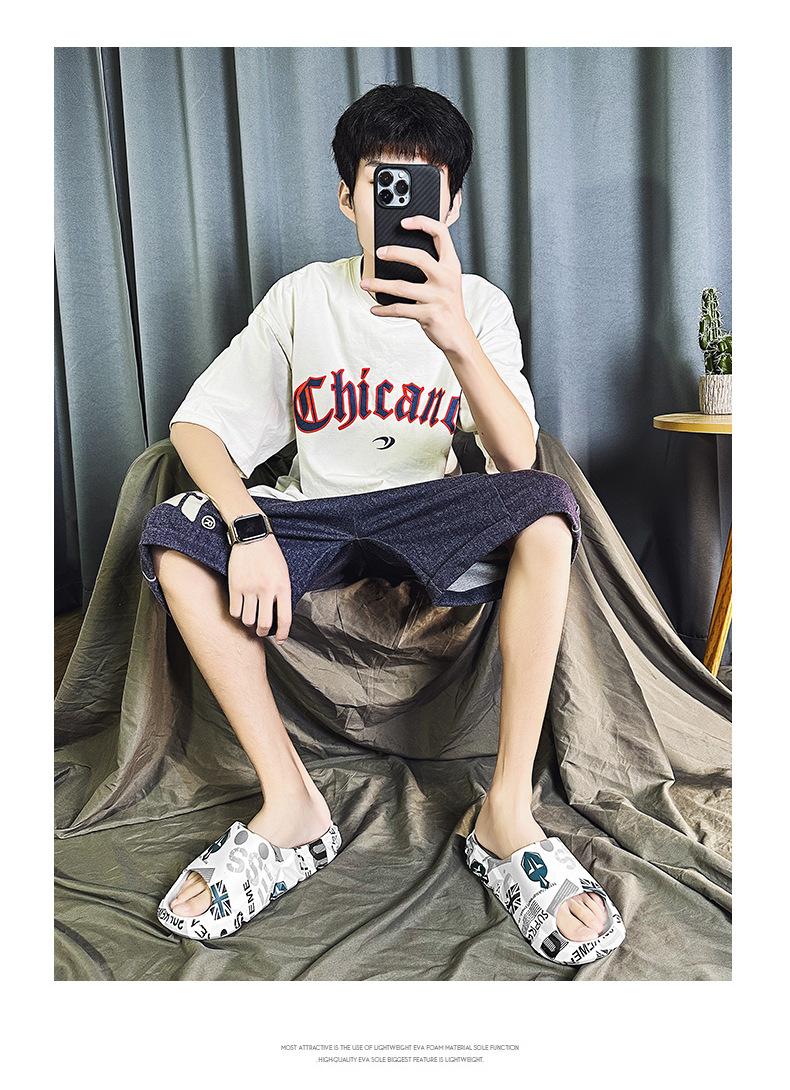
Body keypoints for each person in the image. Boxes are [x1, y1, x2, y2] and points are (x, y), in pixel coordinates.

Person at [138, 83, 625, 963]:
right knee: (174, 536)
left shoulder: (478, 305)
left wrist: (454, 334)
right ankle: (292, 805)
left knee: (549, 512)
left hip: (430, 506)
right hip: (317, 510)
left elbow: (518, 458)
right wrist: (246, 529)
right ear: (347, 197)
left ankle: (507, 813)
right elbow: (197, 427)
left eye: (422, 188)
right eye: (380, 184)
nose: (398, 206)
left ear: (453, 206)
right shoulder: (302, 297)